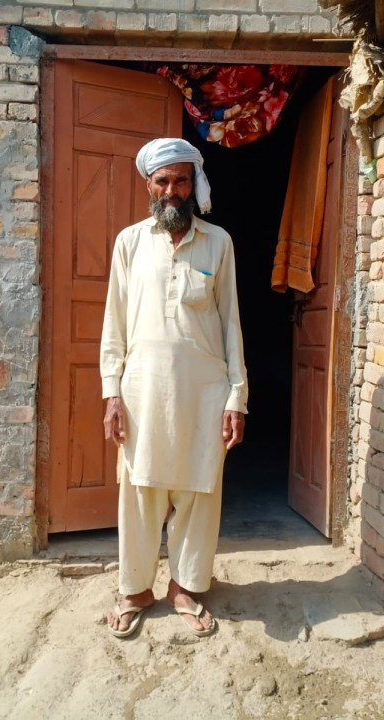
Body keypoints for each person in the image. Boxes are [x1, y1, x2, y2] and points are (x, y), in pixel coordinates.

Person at [100, 137, 248, 639]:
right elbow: (113, 324)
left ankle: (185, 586)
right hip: (141, 390)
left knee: (197, 490)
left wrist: (237, 396)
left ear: (194, 184)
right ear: (149, 185)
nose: (171, 190)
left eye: (180, 180)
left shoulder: (218, 242)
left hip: (204, 391)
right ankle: (135, 589)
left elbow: (231, 325)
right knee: (140, 490)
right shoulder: (130, 243)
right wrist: (111, 393)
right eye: (162, 181)